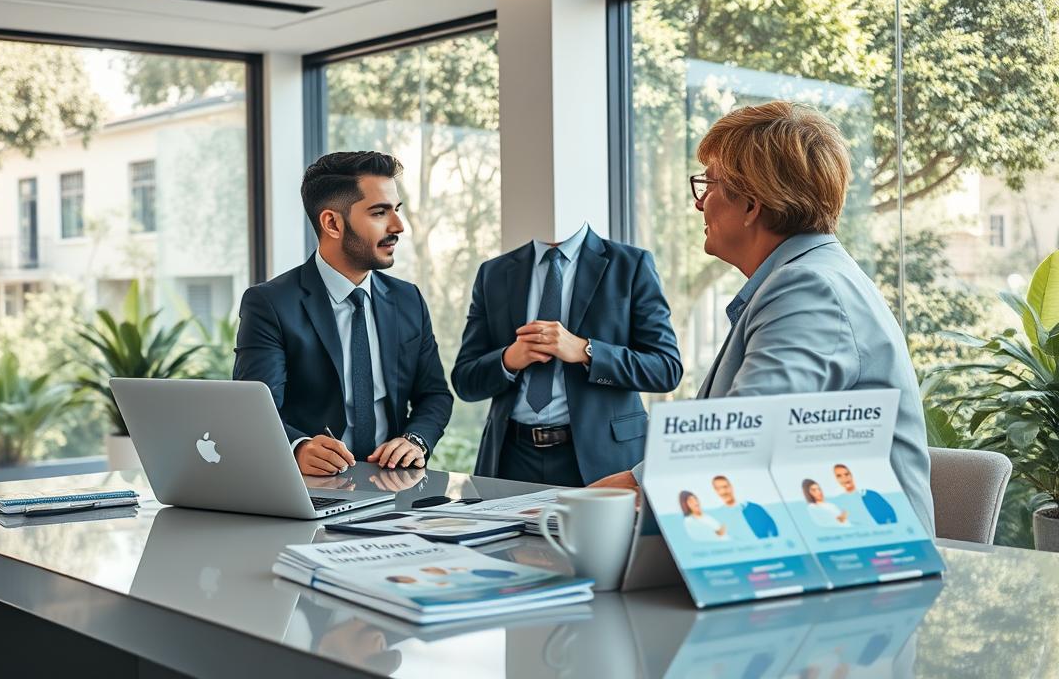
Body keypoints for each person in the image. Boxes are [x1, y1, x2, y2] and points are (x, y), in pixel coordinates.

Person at [591, 101, 935, 536]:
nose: (699, 204)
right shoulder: (809, 276)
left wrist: (616, 492)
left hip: (857, 575)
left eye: (708, 185)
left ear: (751, 205)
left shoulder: (808, 289)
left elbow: (743, 436)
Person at [233, 151, 453, 476]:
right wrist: (298, 446)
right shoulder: (270, 304)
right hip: (311, 488)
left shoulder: (409, 299)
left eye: (397, 210)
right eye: (380, 212)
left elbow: (434, 395)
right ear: (332, 223)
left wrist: (415, 439)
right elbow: (254, 409)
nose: (398, 226)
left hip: (394, 486)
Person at [450, 224, 682, 486]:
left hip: (603, 458)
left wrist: (587, 351)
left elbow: (666, 369)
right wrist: (508, 359)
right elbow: (465, 381)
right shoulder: (493, 272)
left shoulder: (631, 265)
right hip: (511, 457)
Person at [711, 475, 779, 539]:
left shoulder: (754, 508)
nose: (723, 491)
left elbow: (773, 530)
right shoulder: (719, 515)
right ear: (715, 491)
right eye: (718, 488)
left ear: (731, 487)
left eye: (725, 487)